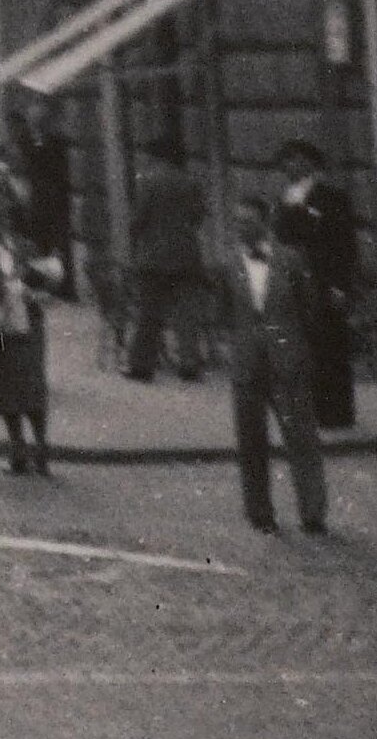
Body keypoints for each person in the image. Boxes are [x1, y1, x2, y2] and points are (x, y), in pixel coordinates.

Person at [218, 193, 330, 537]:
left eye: (248, 222)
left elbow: (310, 309)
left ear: (264, 223)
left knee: (302, 439)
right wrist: (235, 349)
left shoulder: (291, 260)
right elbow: (224, 313)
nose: (242, 229)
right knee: (251, 442)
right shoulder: (228, 264)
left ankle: (313, 513)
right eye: (238, 222)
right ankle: (260, 513)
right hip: (247, 364)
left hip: (288, 362)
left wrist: (303, 354)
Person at [271, 145, 363, 431]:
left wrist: (340, 285)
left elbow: (344, 244)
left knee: (331, 346)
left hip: (324, 280)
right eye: (286, 161)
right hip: (294, 281)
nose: (289, 166)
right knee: (300, 347)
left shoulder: (332, 198)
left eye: (295, 160)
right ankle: (306, 411)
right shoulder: (284, 198)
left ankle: (337, 414)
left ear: (309, 164)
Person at [122, 149, 213, 381]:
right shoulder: (192, 183)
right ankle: (189, 364)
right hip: (186, 256)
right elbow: (198, 216)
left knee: (149, 314)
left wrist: (137, 240)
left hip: (154, 257)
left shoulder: (148, 181)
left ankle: (142, 366)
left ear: (160, 157)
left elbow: (138, 219)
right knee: (186, 314)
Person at [0, 210, 54, 476]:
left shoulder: (27, 248)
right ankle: (18, 450)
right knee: (8, 391)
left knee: (32, 387)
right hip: (4, 324)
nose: (2, 225)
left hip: (29, 325)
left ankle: (41, 449)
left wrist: (33, 290)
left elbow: (46, 281)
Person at [22, 125, 78, 304]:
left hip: (46, 208)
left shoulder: (43, 156)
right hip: (50, 207)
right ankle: (60, 286)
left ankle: (55, 286)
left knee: (49, 248)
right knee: (55, 248)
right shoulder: (54, 162)